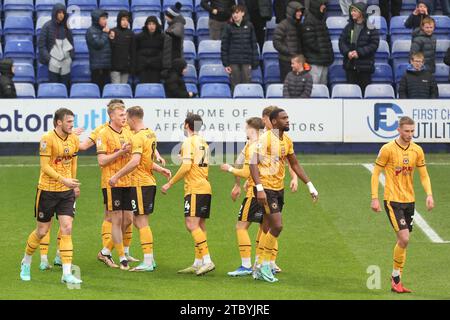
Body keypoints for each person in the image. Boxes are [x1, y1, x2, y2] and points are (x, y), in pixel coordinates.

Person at [250, 108, 318, 283]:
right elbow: (252, 163)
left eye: (288, 117)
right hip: (266, 188)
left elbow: (294, 163)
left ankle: (258, 265)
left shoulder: (286, 140)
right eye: (283, 118)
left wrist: (309, 185)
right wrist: (259, 188)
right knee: (277, 225)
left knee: (266, 226)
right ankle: (265, 265)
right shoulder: (265, 138)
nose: (288, 120)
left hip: (278, 188)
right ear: (273, 122)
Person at [370, 116, 434, 293]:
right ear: (398, 130)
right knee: (405, 238)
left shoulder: (417, 150)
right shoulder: (388, 149)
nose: (410, 134)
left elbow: (423, 175)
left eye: (412, 131)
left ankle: (395, 279)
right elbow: (376, 173)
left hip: (409, 201)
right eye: (407, 131)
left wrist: (429, 194)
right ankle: (396, 277)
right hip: (392, 200)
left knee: (402, 241)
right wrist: (374, 197)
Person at [19, 108, 82, 285]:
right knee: (42, 231)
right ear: (59, 122)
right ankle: (26, 261)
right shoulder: (47, 139)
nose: (72, 125)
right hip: (47, 191)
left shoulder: (74, 139)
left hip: (66, 192)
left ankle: (67, 273)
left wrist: (73, 183)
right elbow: (45, 167)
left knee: (67, 228)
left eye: (72, 121)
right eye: (69, 122)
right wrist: (63, 179)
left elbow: (73, 162)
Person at [109, 106, 171, 272]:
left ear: (133, 119)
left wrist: (116, 176)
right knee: (138, 221)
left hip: (140, 183)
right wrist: (160, 169)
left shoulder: (137, 137)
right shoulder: (150, 133)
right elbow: (146, 160)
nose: (126, 122)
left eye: (127, 118)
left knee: (141, 222)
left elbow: (135, 161)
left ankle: (148, 261)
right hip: (148, 181)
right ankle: (149, 257)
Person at [161, 113, 215, 276]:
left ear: (186, 125)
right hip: (205, 186)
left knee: (191, 224)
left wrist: (169, 183)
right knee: (199, 225)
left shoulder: (189, 141)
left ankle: (207, 260)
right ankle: (198, 262)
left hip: (194, 188)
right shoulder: (203, 143)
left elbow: (186, 167)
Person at [220, 117, 265, 277]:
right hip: (268, 190)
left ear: (252, 129)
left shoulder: (253, 146)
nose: (245, 130)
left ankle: (246, 265)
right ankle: (263, 264)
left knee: (241, 227)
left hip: (255, 192)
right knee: (264, 227)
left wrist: (229, 169)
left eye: (246, 128)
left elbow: (246, 171)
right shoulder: (264, 144)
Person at [96, 102, 134, 271]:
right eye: (121, 115)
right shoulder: (103, 134)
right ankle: (122, 257)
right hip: (111, 182)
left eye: (125, 115)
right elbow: (102, 161)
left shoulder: (128, 131)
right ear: (111, 116)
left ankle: (105, 251)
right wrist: (120, 152)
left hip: (128, 181)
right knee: (116, 219)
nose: (124, 118)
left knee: (128, 220)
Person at [339, 2, 379, 94]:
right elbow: (341, 42)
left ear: (361, 13)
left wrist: (359, 53)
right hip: (350, 66)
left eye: (354, 11)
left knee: (365, 93)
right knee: (351, 94)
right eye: (351, 11)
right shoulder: (348, 27)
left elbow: (374, 45)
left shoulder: (371, 28)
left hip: (365, 68)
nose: (352, 13)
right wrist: (347, 52)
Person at [221, 4, 260, 90]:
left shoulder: (249, 26)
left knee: (247, 86)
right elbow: (224, 46)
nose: (235, 15)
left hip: (246, 61)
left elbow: (253, 45)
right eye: (233, 13)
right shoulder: (228, 27)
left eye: (237, 12)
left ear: (243, 13)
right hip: (233, 62)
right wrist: (226, 64)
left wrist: (255, 62)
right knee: (235, 86)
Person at [38, 3, 74, 88]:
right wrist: (49, 59)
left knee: (65, 87)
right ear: (55, 13)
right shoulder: (46, 26)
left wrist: (71, 57)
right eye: (59, 12)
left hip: (65, 62)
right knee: (54, 87)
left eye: (63, 13)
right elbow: (41, 45)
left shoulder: (66, 27)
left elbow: (71, 44)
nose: (61, 15)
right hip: (53, 62)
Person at [301, 0, 334, 85]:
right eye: (322, 5)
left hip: (322, 60)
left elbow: (326, 39)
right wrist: (322, 51)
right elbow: (309, 41)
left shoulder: (320, 19)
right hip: (314, 62)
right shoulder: (309, 20)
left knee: (323, 87)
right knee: (314, 88)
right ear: (316, 6)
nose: (324, 7)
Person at [273, 1, 305, 82]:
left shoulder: (300, 26)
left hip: (298, 62)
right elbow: (276, 43)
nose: (300, 13)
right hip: (286, 61)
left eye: (301, 11)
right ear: (292, 11)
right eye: (298, 11)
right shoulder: (282, 25)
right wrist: (289, 51)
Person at [86, 9, 111, 93]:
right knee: (97, 91)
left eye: (105, 18)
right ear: (97, 19)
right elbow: (98, 44)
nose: (105, 21)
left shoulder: (104, 30)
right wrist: (105, 34)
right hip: (97, 68)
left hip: (106, 67)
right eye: (103, 19)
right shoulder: (91, 31)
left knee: (106, 92)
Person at [134, 16, 165, 84]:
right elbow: (136, 52)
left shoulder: (162, 37)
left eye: (153, 24)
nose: (151, 26)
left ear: (156, 25)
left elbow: (163, 52)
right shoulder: (139, 37)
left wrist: (154, 61)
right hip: (143, 67)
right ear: (146, 25)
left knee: (155, 88)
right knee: (144, 88)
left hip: (156, 67)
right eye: (149, 24)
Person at [109, 11, 135, 84]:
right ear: (119, 20)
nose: (125, 22)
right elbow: (110, 48)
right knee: (116, 90)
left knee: (124, 90)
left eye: (127, 20)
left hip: (126, 67)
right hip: (114, 67)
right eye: (123, 19)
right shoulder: (113, 31)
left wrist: (132, 66)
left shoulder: (131, 33)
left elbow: (133, 51)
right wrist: (112, 39)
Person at [162, 2, 186, 71]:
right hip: (171, 58)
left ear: (171, 16)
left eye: (166, 15)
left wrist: (167, 33)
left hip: (175, 58)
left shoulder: (178, 24)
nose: (165, 17)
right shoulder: (172, 24)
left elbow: (177, 32)